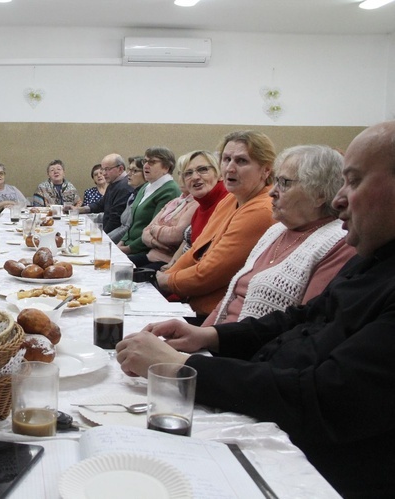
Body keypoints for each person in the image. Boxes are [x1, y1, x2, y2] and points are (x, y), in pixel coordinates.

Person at [116, 121, 395, 498]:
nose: (340, 199)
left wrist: (183, 369)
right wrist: (209, 335)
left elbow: (326, 399)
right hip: (265, 392)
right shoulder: (372, 257)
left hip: (313, 467)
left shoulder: (344, 244)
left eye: (355, 181)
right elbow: (301, 317)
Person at [203, 145, 355, 325]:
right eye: (275, 181)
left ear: (319, 194)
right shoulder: (276, 230)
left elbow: (306, 324)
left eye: (284, 183)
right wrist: (195, 339)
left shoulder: (338, 242)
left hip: (253, 350)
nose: (271, 192)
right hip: (218, 340)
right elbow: (229, 302)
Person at [155, 131, 276, 321]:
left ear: (266, 170)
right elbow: (197, 249)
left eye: (241, 161)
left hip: (218, 317)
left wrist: (167, 281)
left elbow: (210, 273)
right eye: (226, 159)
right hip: (193, 303)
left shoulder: (261, 210)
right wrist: (167, 276)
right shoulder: (230, 199)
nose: (230, 168)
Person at [160, 150, 228, 271]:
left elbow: (211, 265)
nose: (195, 177)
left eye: (203, 169)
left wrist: (172, 277)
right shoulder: (201, 205)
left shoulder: (226, 202)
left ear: (219, 174)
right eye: (188, 173)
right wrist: (172, 268)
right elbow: (189, 244)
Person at [135, 153, 198, 269]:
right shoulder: (175, 201)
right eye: (181, 173)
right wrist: (156, 241)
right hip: (151, 254)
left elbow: (176, 235)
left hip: (165, 261)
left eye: (188, 174)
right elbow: (145, 232)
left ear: (166, 168)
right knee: (113, 267)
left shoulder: (195, 203)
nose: (183, 178)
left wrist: (154, 229)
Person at [118, 147, 181, 261]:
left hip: (145, 251)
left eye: (152, 162)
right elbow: (132, 223)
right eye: (145, 161)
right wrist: (121, 242)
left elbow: (153, 230)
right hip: (128, 245)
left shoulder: (169, 190)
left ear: (166, 167)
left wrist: (127, 249)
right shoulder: (146, 186)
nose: (145, 166)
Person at [76, 153, 134, 233]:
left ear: (120, 169)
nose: (103, 173)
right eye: (103, 169)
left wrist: (102, 237)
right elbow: (101, 205)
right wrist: (80, 209)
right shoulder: (113, 182)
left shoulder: (124, 186)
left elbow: (115, 220)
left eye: (107, 169)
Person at [109, 156, 146, 244]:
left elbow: (127, 228)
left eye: (135, 171)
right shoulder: (133, 194)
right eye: (129, 169)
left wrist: (106, 241)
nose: (129, 174)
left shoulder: (143, 196)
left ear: (146, 173)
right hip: (120, 240)